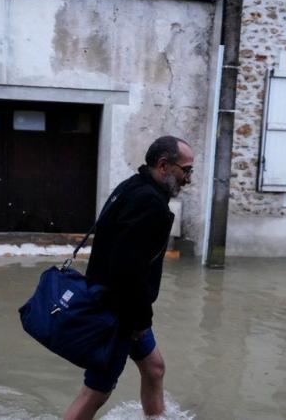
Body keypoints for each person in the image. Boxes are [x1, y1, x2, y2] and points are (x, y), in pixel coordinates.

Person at [64, 136, 194, 420]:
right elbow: (128, 270)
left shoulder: (132, 187)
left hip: (123, 306)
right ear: (163, 165)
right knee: (95, 393)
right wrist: (137, 322)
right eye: (186, 170)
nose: (188, 179)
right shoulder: (150, 204)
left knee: (154, 368)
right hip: (119, 311)